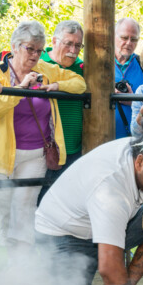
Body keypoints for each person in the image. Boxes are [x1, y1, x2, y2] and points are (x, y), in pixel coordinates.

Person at [35, 122, 143, 285]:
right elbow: (109, 269)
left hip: (99, 226)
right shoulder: (110, 189)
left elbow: (138, 190)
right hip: (62, 236)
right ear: (140, 162)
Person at [0, 20, 86, 264]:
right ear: (15, 47)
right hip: (1, 156)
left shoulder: (46, 69)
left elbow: (80, 83)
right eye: (30, 49)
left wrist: (57, 85)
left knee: (25, 209)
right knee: (6, 210)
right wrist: (20, 90)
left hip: (36, 153)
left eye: (39, 50)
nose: (35, 55)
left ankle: (22, 265)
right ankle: (10, 260)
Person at [40, 20, 86, 176]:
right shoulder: (39, 62)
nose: (73, 50)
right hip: (43, 149)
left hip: (75, 148)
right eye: (68, 43)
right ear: (54, 41)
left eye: (78, 45)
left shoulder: (84, 67)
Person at [113, 17, 143, 138]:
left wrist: (133, 101)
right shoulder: (99, 65)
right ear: (113, 36)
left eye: (134, 39)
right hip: (102, 140)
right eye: (124, 38)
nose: (128, 43)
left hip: (136, 140)